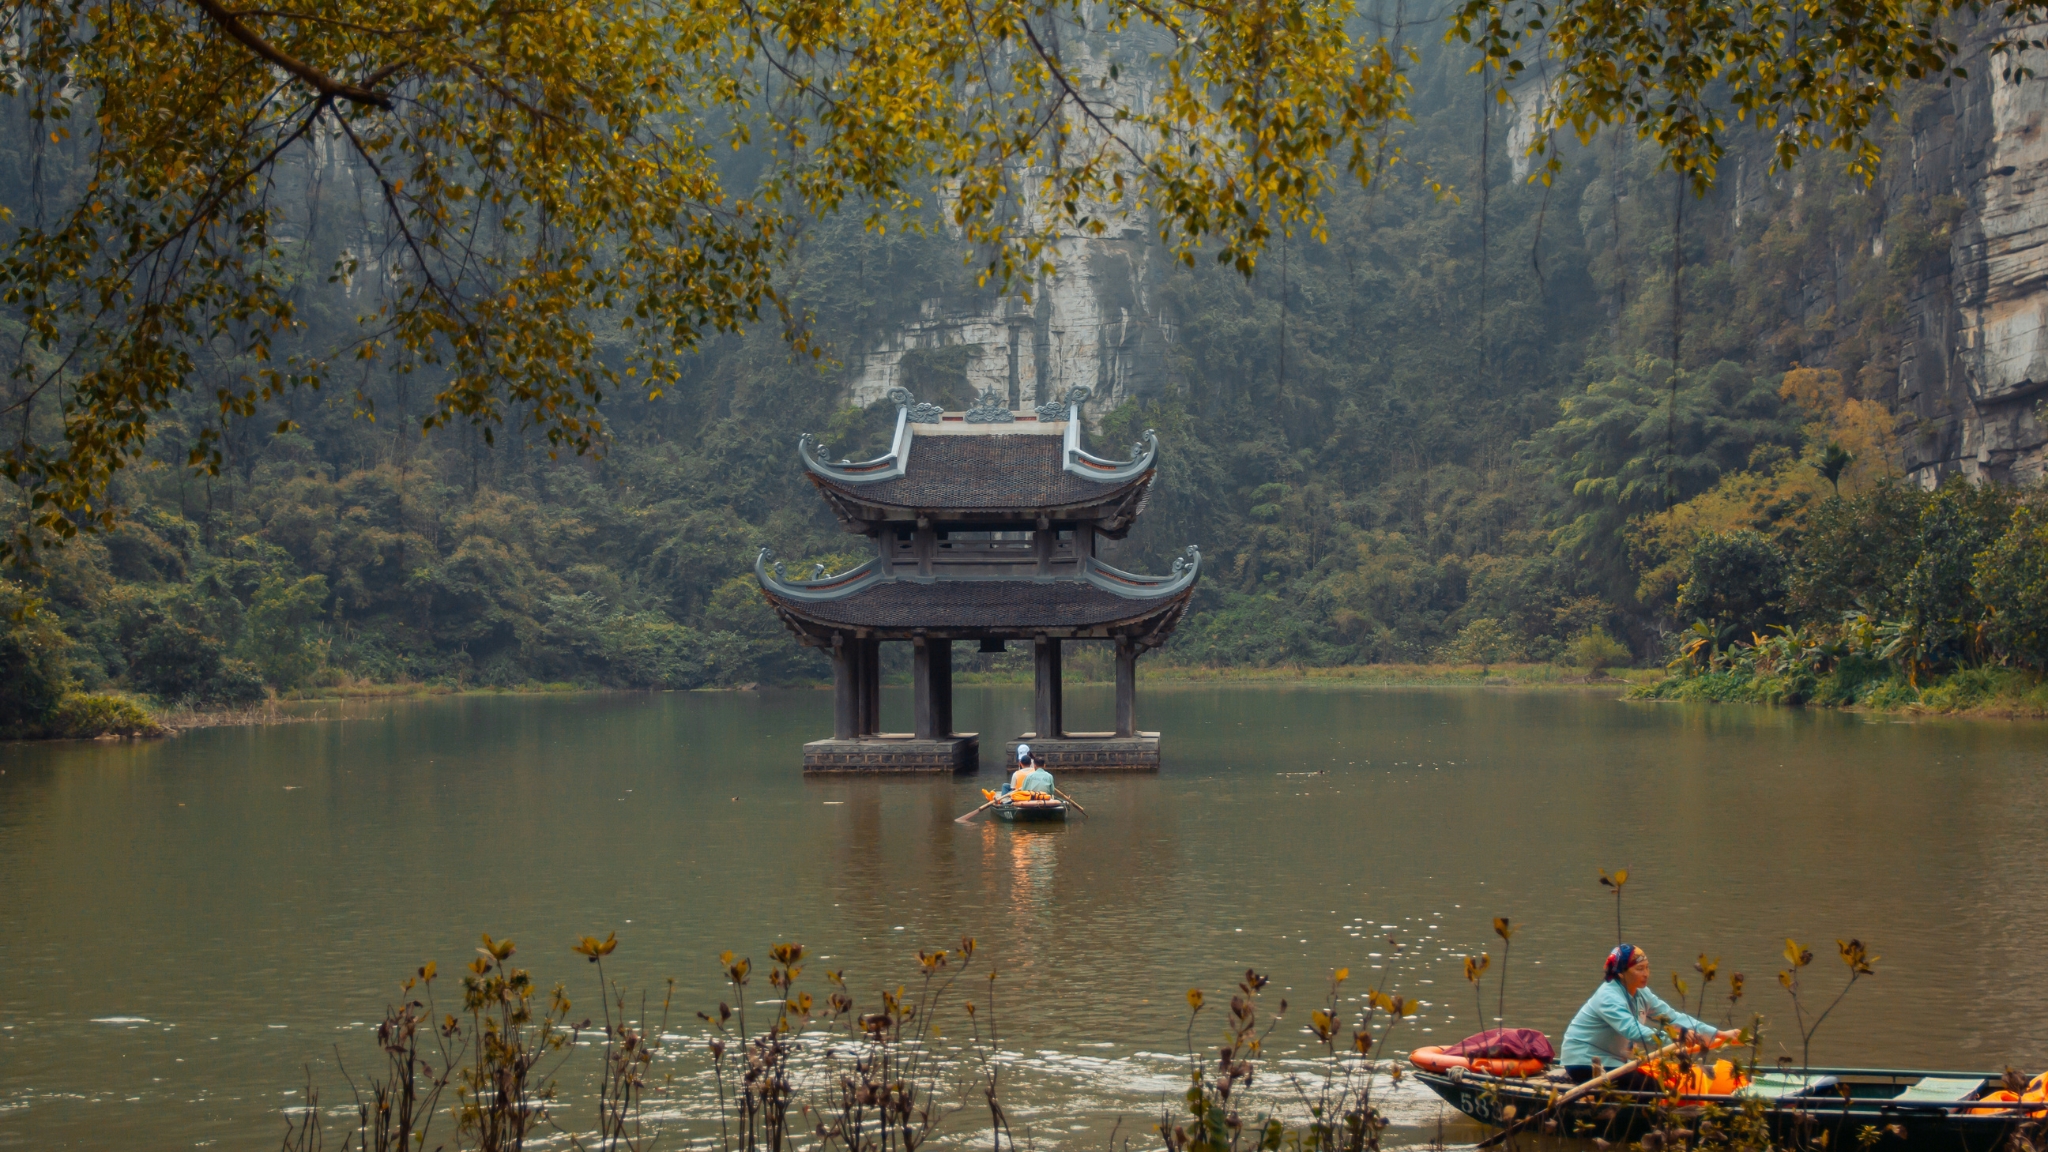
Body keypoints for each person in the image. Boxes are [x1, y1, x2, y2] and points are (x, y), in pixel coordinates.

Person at [1559, 944, 1741, 1091]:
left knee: (1667, 1078)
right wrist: (1674, 1037)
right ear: (1621, 973)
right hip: (1583, 1061)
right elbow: (1632, 1030)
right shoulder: (1608, 997)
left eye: (1647, 968)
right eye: (1639, 969)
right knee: (1653, 1088)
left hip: (1616, 1060)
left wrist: (1721, 1034)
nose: (1646, 973)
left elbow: (1673, 1017)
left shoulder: (1642, 992)